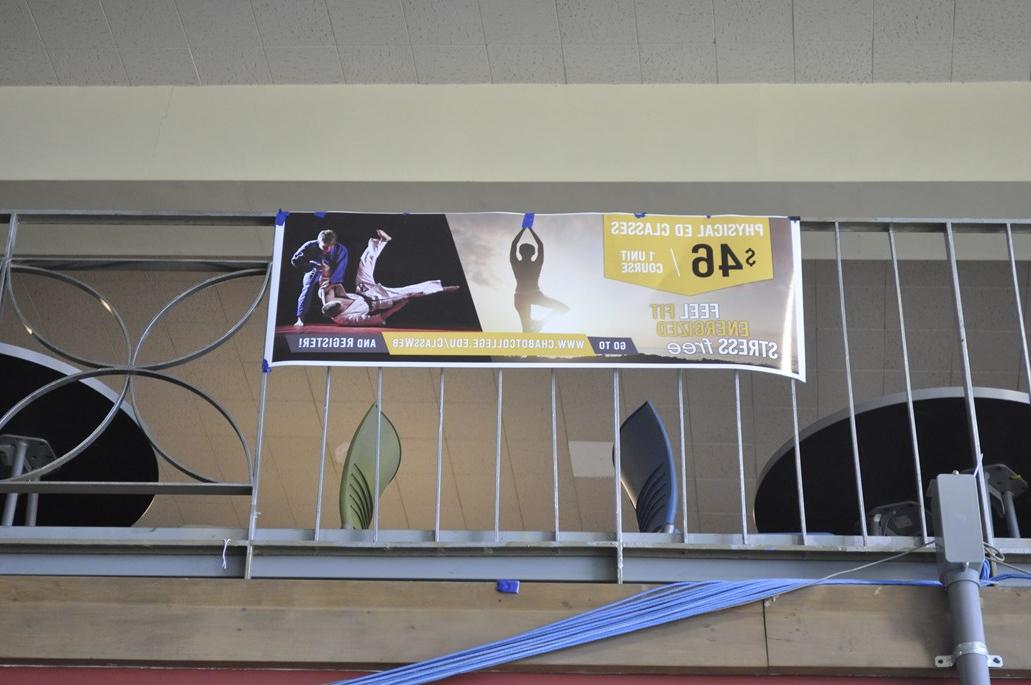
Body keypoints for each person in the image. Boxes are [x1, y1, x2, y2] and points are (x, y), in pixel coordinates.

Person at [321, 229, 459, 326]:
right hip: (377, 299)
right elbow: (378, 318)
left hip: (362, 290)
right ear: (339, 312)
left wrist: (328, 279)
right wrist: (396, 307)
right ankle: (441, 288)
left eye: (340, 302)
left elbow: (329, 287)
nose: (343, 302)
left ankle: (382, 241)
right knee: (410, 292)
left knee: (364, 263)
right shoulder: (347, 319)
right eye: (343, 305)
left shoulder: (329, 301)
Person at [509, 226, 569, 332]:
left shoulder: (516, 264)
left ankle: (538, 324)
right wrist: (530, 229)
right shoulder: (536, 264)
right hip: (532, 295)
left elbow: (514, 244)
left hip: (521, 297)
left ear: (520, 252)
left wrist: (523, 229)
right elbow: (540, 245)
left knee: (526, 330)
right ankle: (540, 323)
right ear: (533, 253)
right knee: (563, 308)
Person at [290, 229, 348, 327]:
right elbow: (295, 260)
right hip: (315, 270)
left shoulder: (341, 250)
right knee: (307, 289)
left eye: (330, 247)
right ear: (318, 242)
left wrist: (331, 282)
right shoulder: (310, 245)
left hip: (332, 272)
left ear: (334, 244)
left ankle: (343, 316)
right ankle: (300, 318)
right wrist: (311, 264)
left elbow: (340, 268)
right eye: (324, 247)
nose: (327, 250)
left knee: (338, 292)